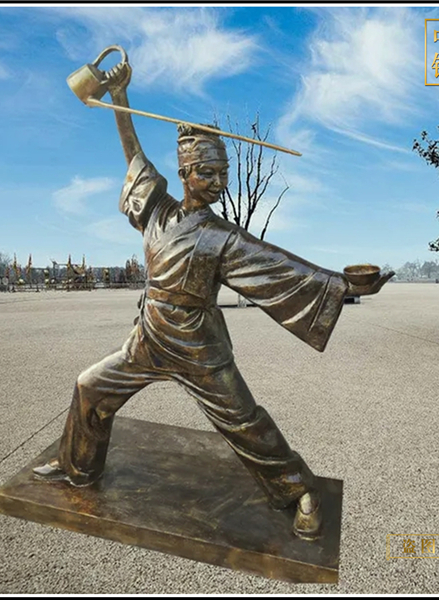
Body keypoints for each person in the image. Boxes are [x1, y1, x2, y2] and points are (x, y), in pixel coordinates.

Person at [34, 58, 393, 540]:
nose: (218, 182)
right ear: (185, 172)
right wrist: (120, 99)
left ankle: (300, 489)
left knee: (243, 421)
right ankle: (78, 466)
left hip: (198, 345)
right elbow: (134, 156)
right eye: (208, 172)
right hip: (149, 337)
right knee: (90, 388)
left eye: (222, 172)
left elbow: (280, 267)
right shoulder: (156, 212)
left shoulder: (224, 237)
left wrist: (343, 286)